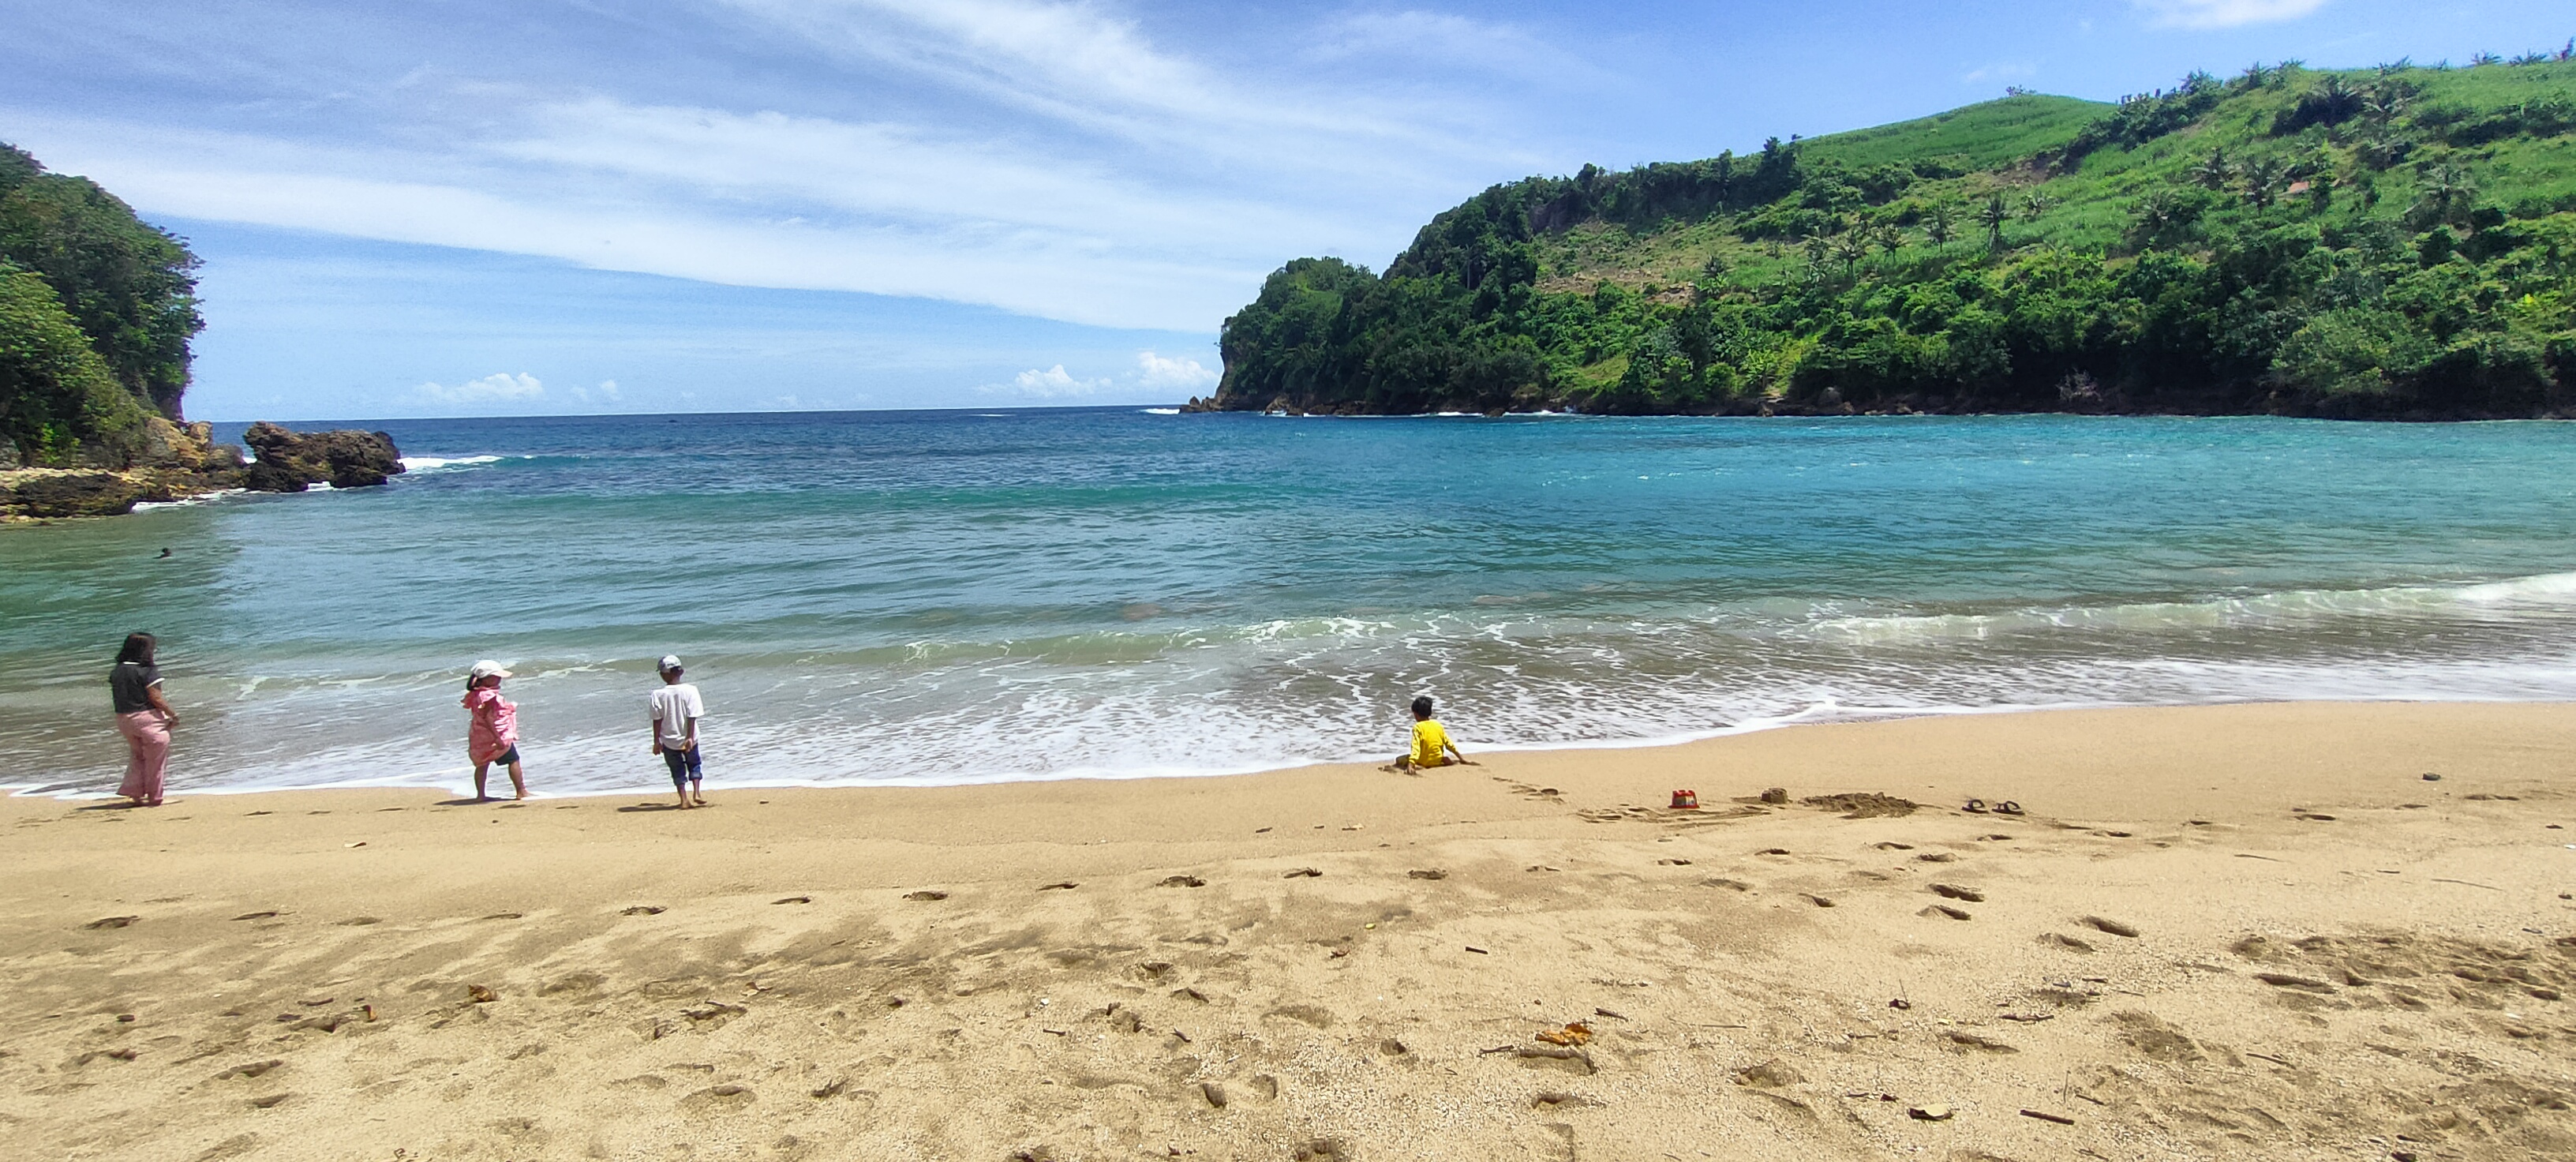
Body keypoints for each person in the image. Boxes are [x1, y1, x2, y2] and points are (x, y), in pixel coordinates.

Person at [110, 632, 176, 806]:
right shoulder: (147, 670)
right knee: (156, 761)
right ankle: (155, 798)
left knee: (137, 757)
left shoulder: (117, 671)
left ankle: (136, 795)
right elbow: (156, 698)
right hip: (147, 719)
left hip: (124, 719)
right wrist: (173, 715)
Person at [461, 660, 528, 800]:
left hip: (479, 734)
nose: (499, 679)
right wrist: (497, 736)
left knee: (482, 764)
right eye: (495, 676)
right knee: (513, 759)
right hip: (494, 733)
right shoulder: (489, 696)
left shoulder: (476, 694)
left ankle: (481, 795)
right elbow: (488, 717)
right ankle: (521, 791)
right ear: (485, 679)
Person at [648, 655, 708, 808]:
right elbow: (692, 716)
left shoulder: (658, 694)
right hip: (690, 738)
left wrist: (656, 741)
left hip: (669, 740)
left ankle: (684, 799)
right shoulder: (691, 690)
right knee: (694, 764)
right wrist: (689, 737)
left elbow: (656, 720)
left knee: (676, 769)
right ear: (680, 672)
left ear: (663, 675)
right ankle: (697, 792)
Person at [1389, 694, 1474, 771]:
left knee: (1399, 759)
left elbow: (1416, 748)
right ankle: (1442, 759)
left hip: (1422, 762)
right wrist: (1461, 758)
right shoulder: (1438, 725)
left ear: (1416, 714)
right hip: (1437, 761)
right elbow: (1449, 744)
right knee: (1439, 755)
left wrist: (1411, 764)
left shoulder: (1418, 727)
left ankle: (1416, 764)